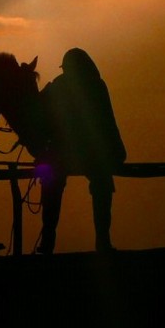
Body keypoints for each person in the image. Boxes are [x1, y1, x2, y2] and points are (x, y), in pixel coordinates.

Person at [34, 47, 127, 254]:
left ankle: (48, 240)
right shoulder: (96, 86)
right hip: (90, 152)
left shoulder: (60, 86)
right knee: (100, 185)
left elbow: (42, 117)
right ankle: (102, 241)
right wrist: (117, 151)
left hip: (67, 152)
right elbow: (108, 122)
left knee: (51, 184)